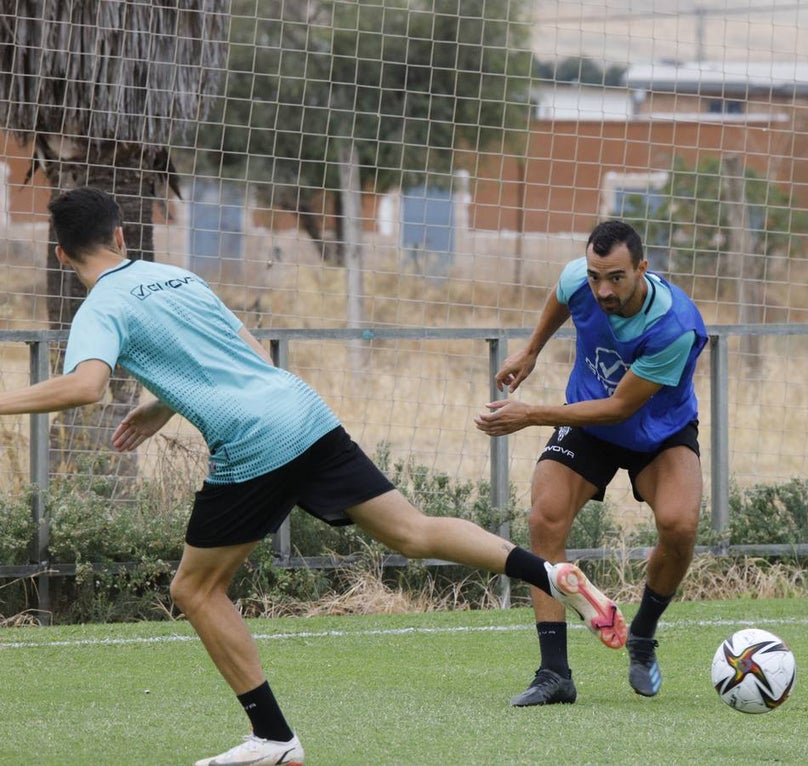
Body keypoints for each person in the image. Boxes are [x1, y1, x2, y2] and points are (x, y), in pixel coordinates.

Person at [15, 187, 627, 766]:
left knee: (194, 591)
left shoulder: (101, 305)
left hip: (253, 443)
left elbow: (85, 386)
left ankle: (273, 736)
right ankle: (546, 571)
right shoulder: (173, 275)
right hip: (304, 411)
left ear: (62, 251)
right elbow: (246, 353)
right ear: (121, 235)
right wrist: (162, 402)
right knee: (412, 531)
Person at [475, 219, 708, 705]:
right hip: (587, 418)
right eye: (596, 275)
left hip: (656, 431)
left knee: (680, 525)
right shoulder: (579, 277)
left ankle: (642, 635)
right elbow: (562, 296)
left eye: (616, 278)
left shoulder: (675, 326)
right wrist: (532, 350)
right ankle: (554, 673)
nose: (602, 289)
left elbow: (622, 408)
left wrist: (532, 413)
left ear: (642, 268)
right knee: (545, 517)